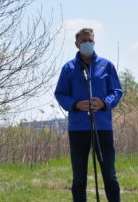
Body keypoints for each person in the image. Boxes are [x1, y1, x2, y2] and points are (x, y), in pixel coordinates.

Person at [54, 27, 124, 202]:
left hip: (102, 126)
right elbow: (60, 93)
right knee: (79, 177)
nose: (87, 44)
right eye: (84, 41)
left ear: (94, 42)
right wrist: (75, 104)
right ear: (77, 44)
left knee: (109, 174)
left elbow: (116, 91)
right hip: (78, 128)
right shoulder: (69, 68)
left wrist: (104, 102)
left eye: (90, 41)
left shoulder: (106, 65)